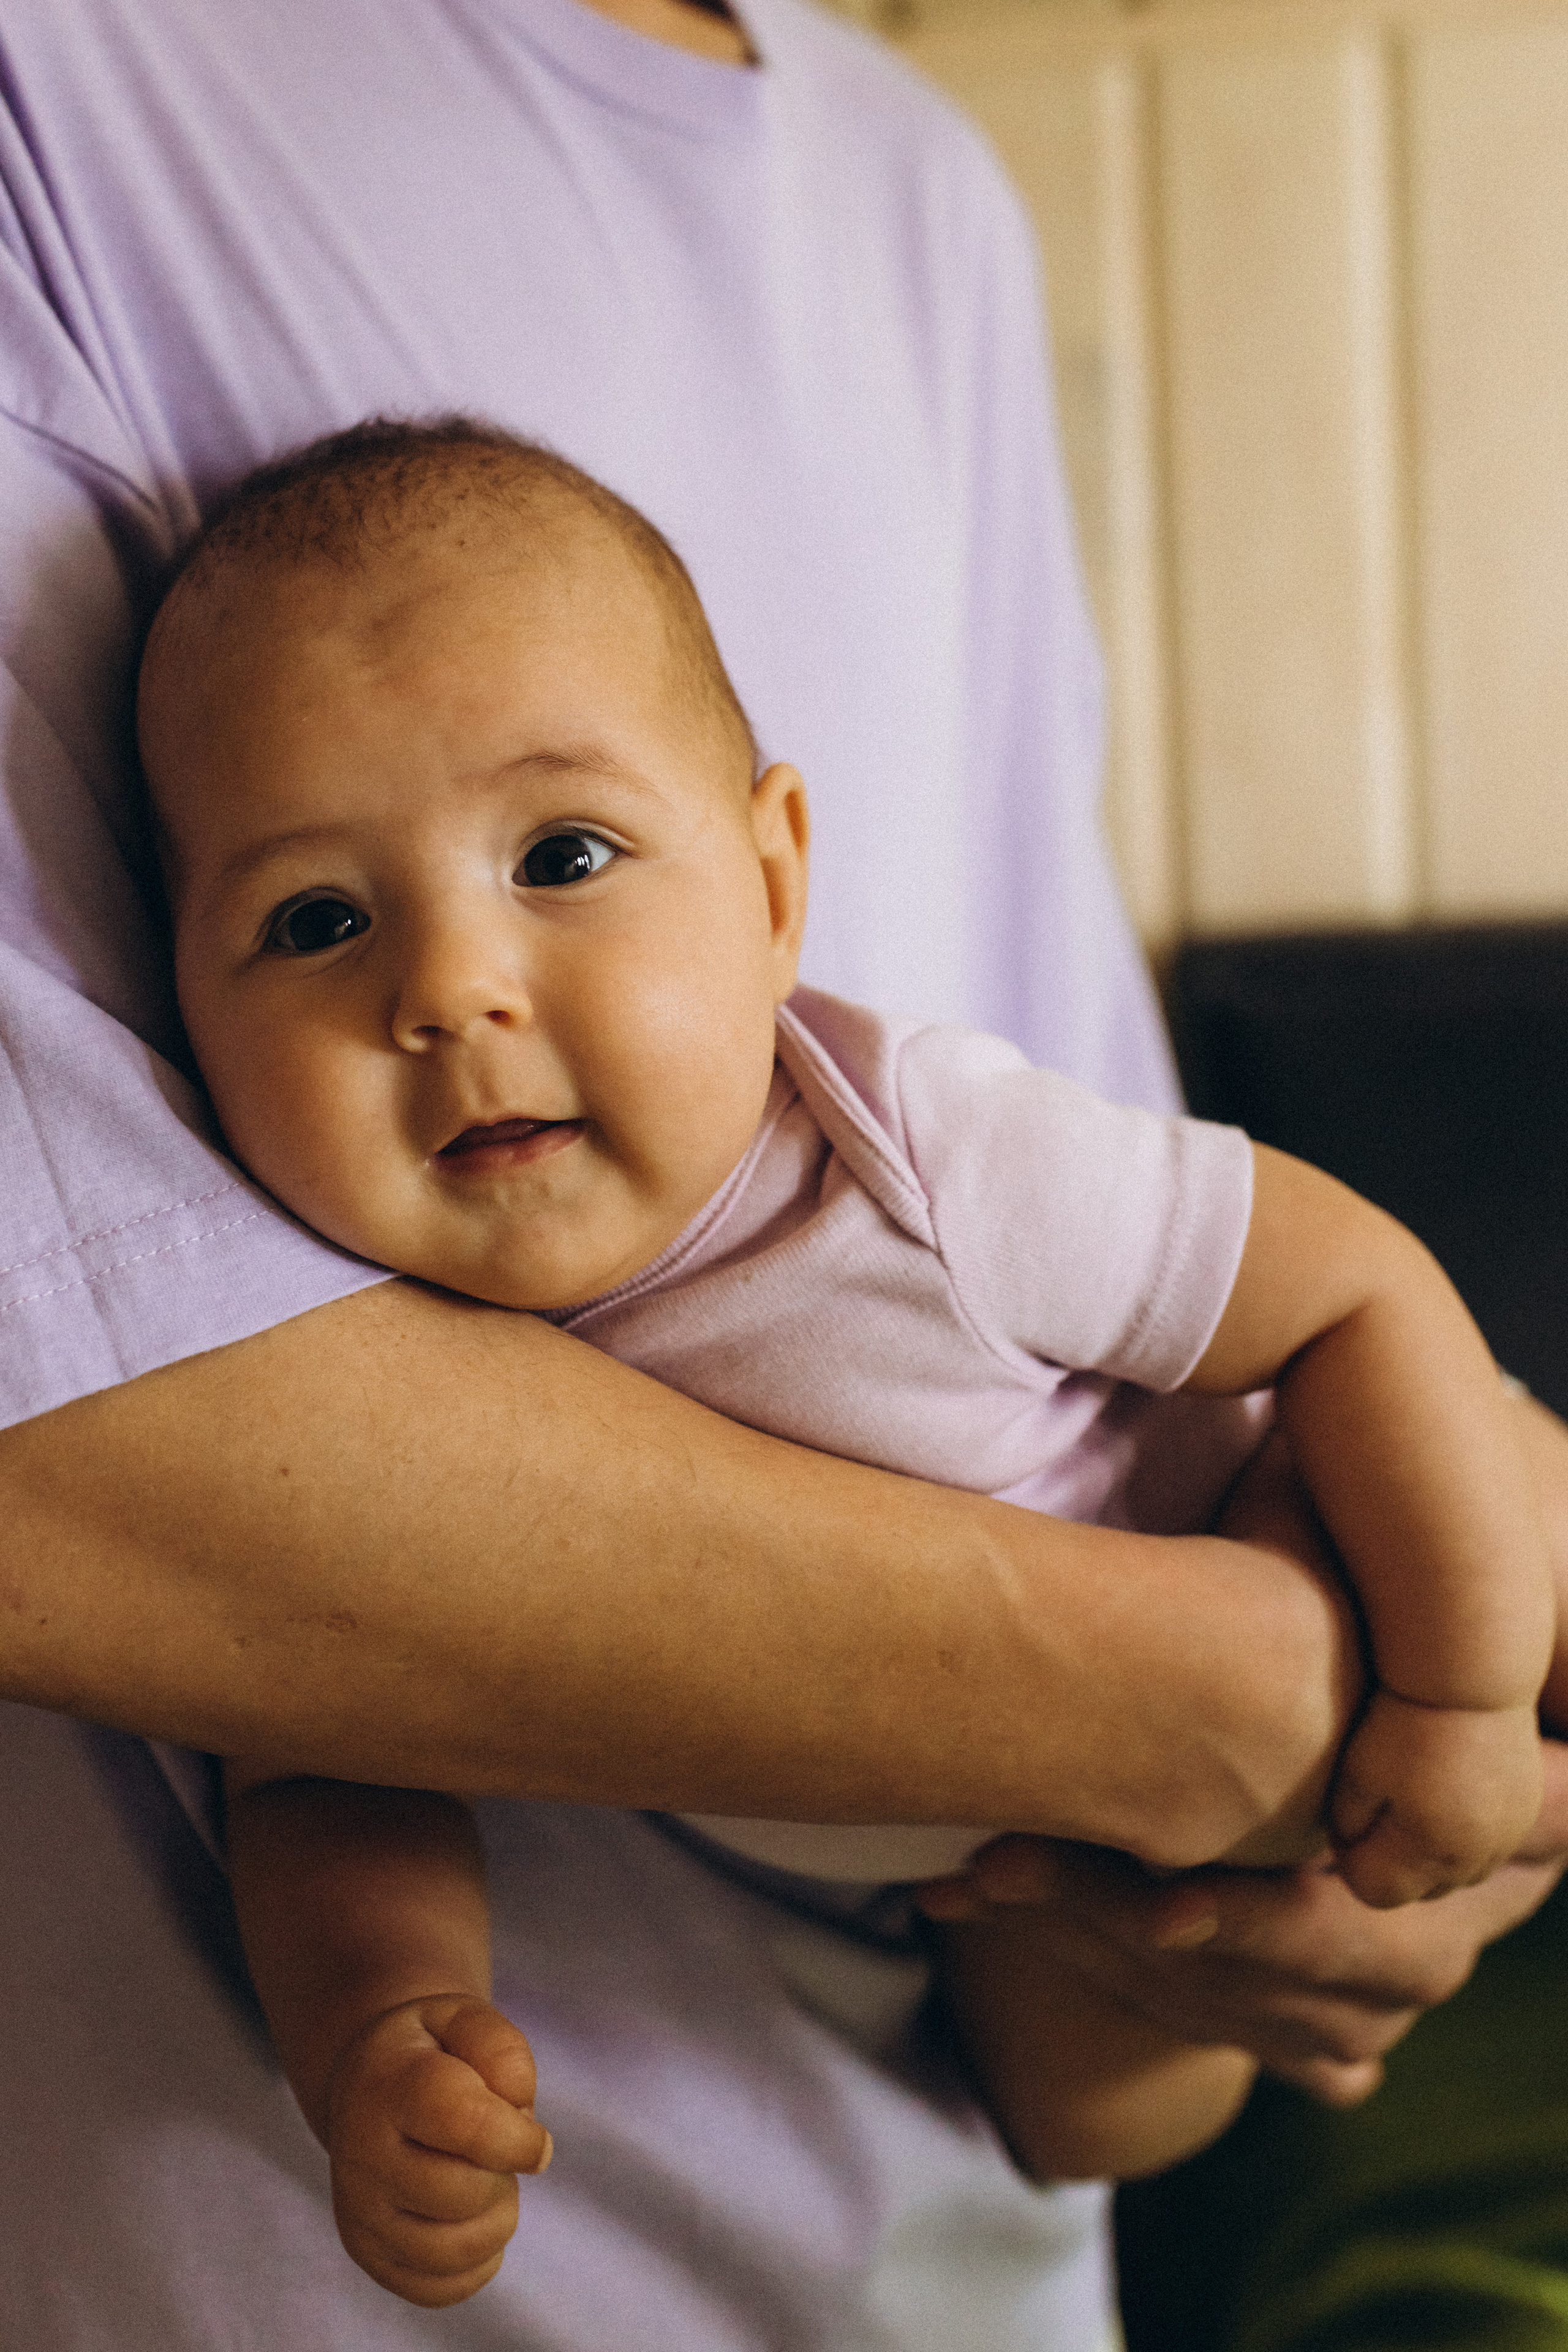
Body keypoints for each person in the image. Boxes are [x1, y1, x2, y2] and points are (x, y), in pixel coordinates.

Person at [2, 1, 1566, 2345]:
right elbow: (304, 1731)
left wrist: (1433, 1712)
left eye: (565, 853)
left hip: (996, 2183)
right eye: (312, 923)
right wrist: (388, 2037)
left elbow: (1341, 1299)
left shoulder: (897, 1150)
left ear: (771, 879)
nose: (450, 991)